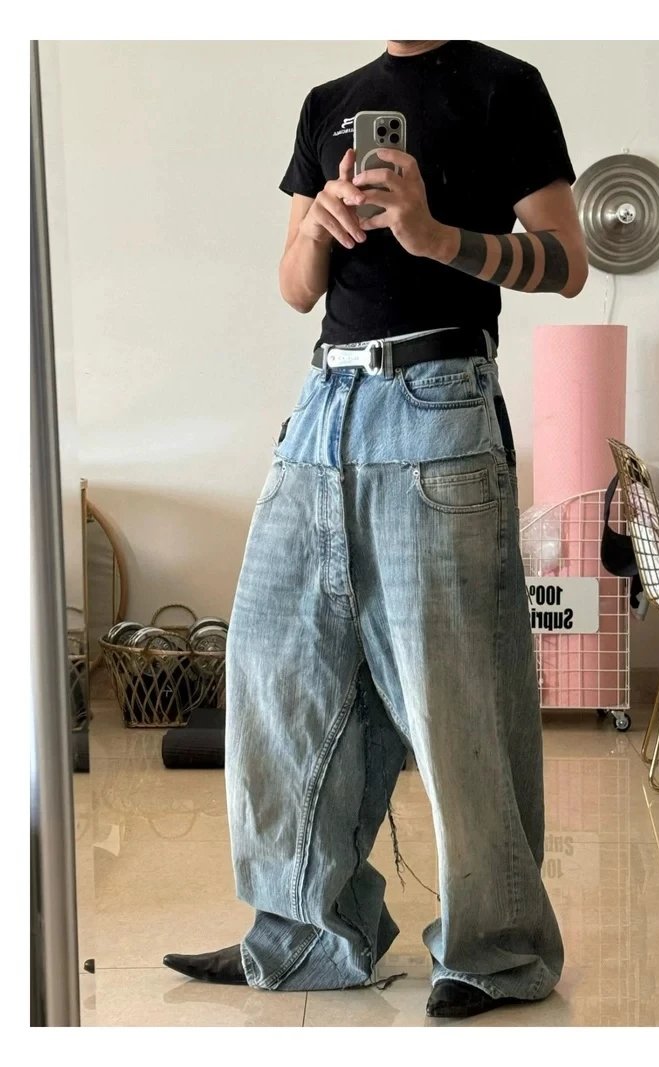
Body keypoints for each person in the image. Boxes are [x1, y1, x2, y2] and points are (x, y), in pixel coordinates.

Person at [164, 39, 588, 1020]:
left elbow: (568, 261)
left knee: (455, 695)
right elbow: (293, 287)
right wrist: (318, 225)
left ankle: (495, 951)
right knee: (277, 670)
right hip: (325, 405)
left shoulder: (503, 85)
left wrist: (438, 238)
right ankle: (306, 935)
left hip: (440, 396)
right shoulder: (328, 101)